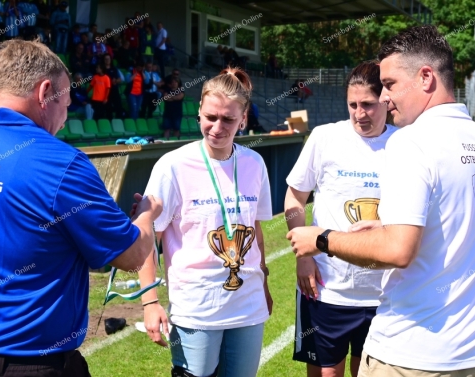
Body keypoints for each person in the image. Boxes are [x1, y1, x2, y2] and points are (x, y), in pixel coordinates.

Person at [0, 39, 163, 377]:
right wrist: (146, 213)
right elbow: (131, 256)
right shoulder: (59, 162)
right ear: (45, 92)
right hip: (25, 363)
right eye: (67, 104)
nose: (64, 118)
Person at [287, 25, 475, 376]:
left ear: (425, 77)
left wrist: (320, 239)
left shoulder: (411, 141)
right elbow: (460, 225)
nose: (385, 97)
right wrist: (386, 225)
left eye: (390, 84)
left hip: (417, 354)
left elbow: (398, 250)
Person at [140, 67, 273, 377]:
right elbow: (148, 235)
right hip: (196, 307)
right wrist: (149, 302)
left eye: (228, 120)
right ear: (199, 112)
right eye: (211, 117)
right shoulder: (172, 166)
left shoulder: (255, 163)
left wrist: (263, 279)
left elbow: (254, 230)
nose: (217, 127)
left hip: (248, 304)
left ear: (243, 119)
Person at [286, 61, 398, 377]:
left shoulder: (404, 144)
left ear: (386, 102)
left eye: (368, 105)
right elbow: (295, 198)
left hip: (385, 292)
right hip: (326, 288)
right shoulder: (325, 138)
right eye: (352, 104)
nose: (359, 113)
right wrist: (303, 255)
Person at [101, 54, 124, 119]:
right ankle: (109, 123)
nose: (107, 60)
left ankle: (119, 121)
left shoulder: (114, 69)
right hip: (106, 91)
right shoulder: (102, 69)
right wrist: (110, 81)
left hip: (114, 90)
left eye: (108, 59)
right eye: (106, 59)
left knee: (118, 106)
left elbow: (120, 79)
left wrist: (116, 81)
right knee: (108, 108)